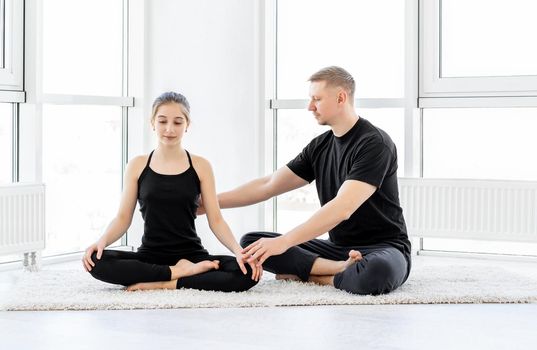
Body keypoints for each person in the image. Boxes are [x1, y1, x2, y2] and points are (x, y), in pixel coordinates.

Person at [204, 66, 411, 295]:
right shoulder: (320, 146)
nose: (310, 107)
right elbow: (268, 185)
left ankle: (316, 277)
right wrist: (209, 202)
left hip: (384, 249)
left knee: (375, 273)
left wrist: (284, 242)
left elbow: (343, 208)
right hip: (337, 249)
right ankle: (341, 269)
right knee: (252, 243)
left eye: (317, 99)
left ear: (341, 97)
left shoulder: (375, 143)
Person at [82, 91, 260, 292]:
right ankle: (176, 273)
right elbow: (123, 218)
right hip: (150, 256)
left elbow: (216, 220)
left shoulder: (201, 166)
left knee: (247, 273)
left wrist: (238, 252)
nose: (169, 129)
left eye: (177, 122)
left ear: (187, 125)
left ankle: (164, 282)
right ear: (152, 123)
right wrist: (101, 241)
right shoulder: (137, 165)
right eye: (162, 121)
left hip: (192, 255)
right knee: (97, 261)